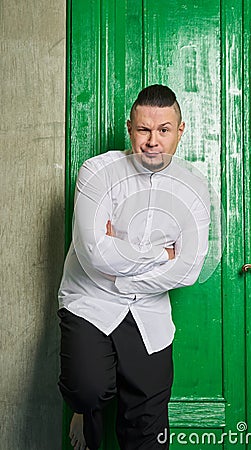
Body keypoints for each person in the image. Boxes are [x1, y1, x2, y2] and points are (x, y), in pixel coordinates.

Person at [57, 84, 210, 450]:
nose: (152, 141)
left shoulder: (194, 186)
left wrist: (120, 249)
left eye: (163, 130)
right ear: (130, 128)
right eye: (143, 129)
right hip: (90, 300)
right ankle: (84, 410)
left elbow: (189, 269)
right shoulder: (96, 171)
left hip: (148, 310)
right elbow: (94, 253)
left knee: (148, 424)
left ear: (180, 130)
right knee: (89, 388)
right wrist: (164, 256)